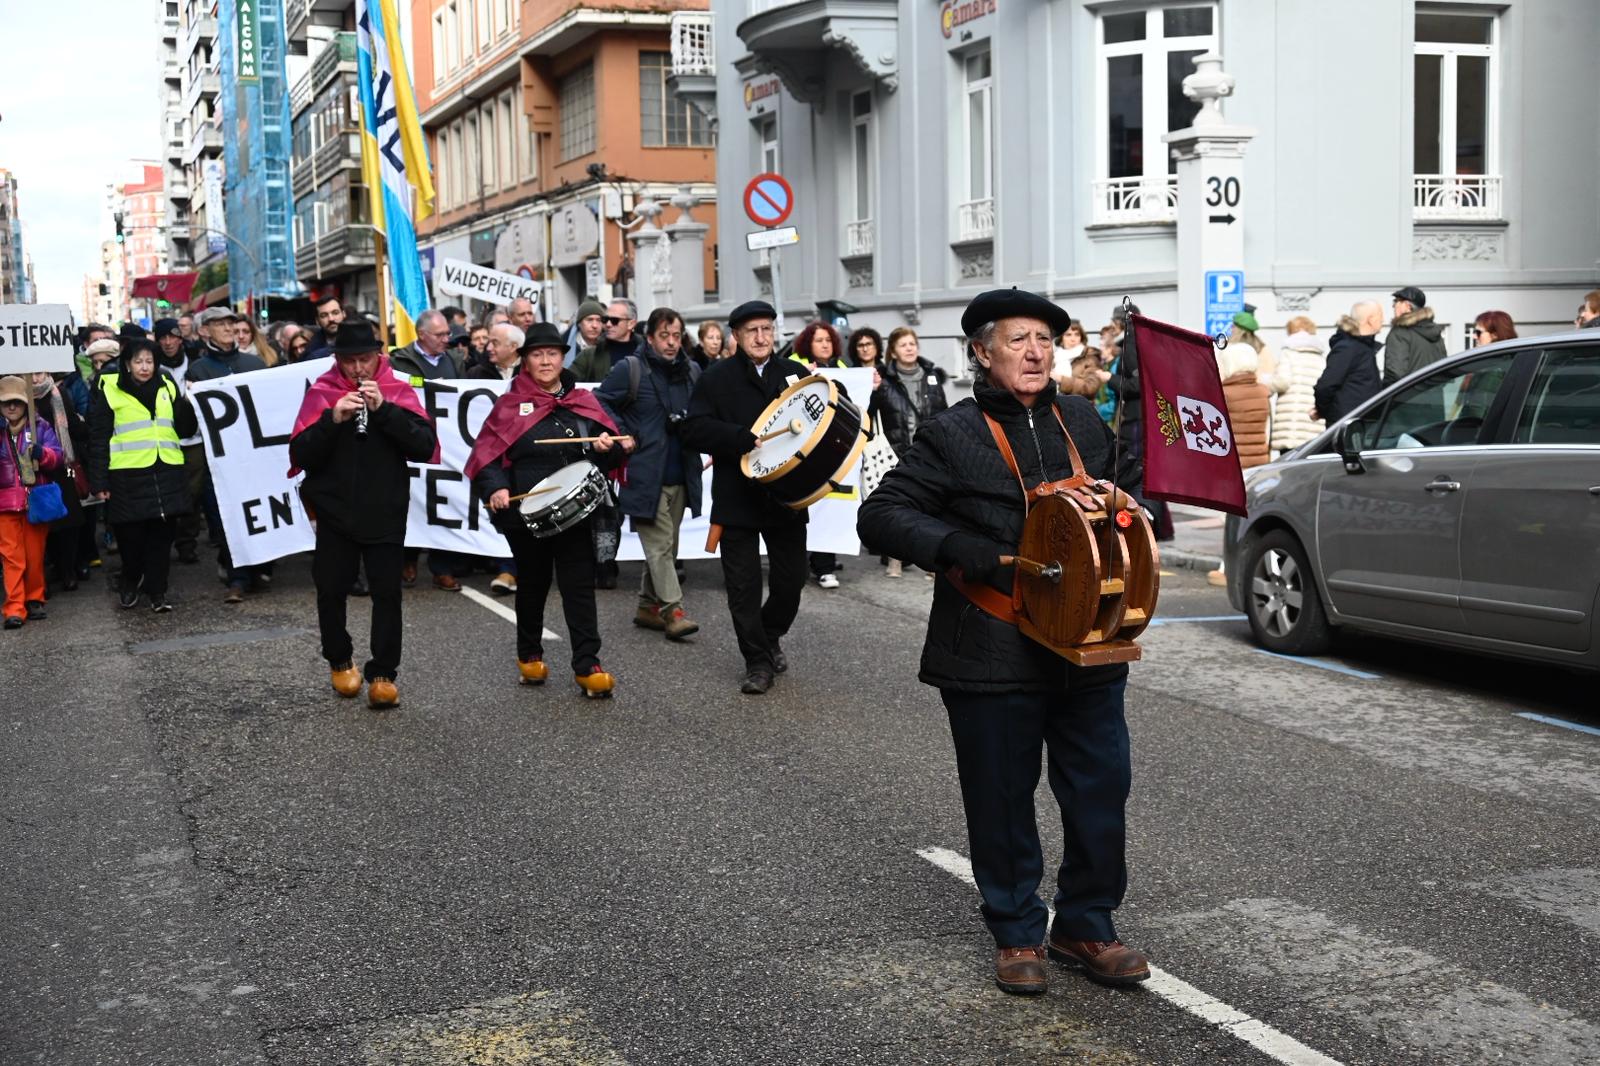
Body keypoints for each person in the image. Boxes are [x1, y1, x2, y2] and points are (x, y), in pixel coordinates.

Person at [857, 288, 1149, 998]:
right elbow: (882, 514)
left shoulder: (1080, 417)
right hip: (992, 642)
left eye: (1045, 339)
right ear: (982, 354)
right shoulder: (952, 433)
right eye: (1017, 340)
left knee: (1100, 791)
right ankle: (1018, 930)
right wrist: (962, 547)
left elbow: (1123, 492)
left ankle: (1086, 923)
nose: (1035, 351)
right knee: (1001, 797)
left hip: (1086, 641)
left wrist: (1130, 508)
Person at [467, 323, 632, 697]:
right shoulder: (510, 404)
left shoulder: (584, 401)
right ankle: (530, 656)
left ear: (562, 357)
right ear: (525, 360)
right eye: (538, 354)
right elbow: (487, 456)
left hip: (577, 511)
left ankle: (588, 664)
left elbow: (615, 449)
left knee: (578, 587)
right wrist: (496, 488)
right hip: (526, 513)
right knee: (533, 584)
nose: (545, 361)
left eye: (552, 354)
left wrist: (615, 447)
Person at [288, 320, 439, 710]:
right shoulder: (323, 392)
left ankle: (384, 673)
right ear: (338, 360)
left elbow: (424, 446)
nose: (358, 369)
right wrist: (332, 419)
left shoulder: (398, 390)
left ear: (379, 357)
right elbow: (300, 454)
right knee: (331, 588)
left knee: (387, 593)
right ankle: (339, 658)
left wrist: (384, 410)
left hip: (385, 509)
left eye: (365, 360)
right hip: (335, 511)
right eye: (350, 361)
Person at [679, 301, 808, 695]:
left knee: (791, 580)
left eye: (767, 329)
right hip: (737, 498)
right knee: (743, 588)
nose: (761, 337)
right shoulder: (716, 378)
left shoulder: (794, 374)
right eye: (752, 330)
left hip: (786, 497)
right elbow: (694, 429)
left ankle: (770, 635)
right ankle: (757, 662)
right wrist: (736, 438)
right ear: (735, 336)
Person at [595, 308, 704, 639]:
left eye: (676, 336)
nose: (671, 343)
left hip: (681, 471)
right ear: (650, 337)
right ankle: (674, 611)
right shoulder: (631, 369)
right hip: (644, 472)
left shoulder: (692, 371)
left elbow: (704, 412)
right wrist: (621, 431)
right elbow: (598, 401)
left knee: (667, 547)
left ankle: (646, 607)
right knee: (658, 546)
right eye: (664, 336)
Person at [87, 340, 197, 612]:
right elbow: (98, 439)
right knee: (131, 539)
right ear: (127, 364)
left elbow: (184, 428)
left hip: (166, 471)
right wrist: (99, 482)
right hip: (127, 476)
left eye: (149, 361)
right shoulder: (110, 390)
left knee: (162, 539)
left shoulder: (168, 386)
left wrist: (187, 402)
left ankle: (158, 591)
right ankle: (130, 579)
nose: (145, 367)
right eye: (138, 361)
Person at [185, 306, 271, 603]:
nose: (227, 328)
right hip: (220, 458)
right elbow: (190, 421)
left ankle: (261, 566)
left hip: (255, 453)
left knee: (260, 509)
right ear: (205, 330)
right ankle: (237, 576)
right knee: (226, 516)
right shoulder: (199, 370)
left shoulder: (255, 364)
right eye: (219, 324)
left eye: (230, 323)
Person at [871, 327, 949, 579]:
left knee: (934, 505)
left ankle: (932, 563)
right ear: (892, 350)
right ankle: (895, 558)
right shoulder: (883, 379)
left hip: (929, 449)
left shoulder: (932, 376)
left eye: (912, 343)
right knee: (899, 504)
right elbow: (870, 412)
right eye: (903, 344)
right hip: (895, 450)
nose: (909, 348)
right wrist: (872, 391)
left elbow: (944, 412)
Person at [786, 322, 852, 589]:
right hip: (802, 449)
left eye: (828, 340)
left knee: (830, 506)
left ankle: (824, 564)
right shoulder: (793, 365)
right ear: (807, 344)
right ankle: (800, 562)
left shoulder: (844, 369)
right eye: (819, 340)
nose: (825, 344)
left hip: (832, 448)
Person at [1, 376, 65, 629]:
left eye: (17, 402)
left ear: (26, 403)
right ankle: (14, 607)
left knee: (35, 555)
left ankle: (34, 597)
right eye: (6, 403)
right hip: (5, 504)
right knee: (11, 558)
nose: (12, 407)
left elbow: (58, 457)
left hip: (34, 501)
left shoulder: (39, 426)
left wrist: (44, 455)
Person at [32, 373, 90, 591]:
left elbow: (73, 426)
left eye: (40, 372)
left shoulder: (58, 393)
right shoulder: (19, 395)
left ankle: (69, 569)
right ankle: (56, 567)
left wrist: (86, 428)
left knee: (70, 519)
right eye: (32, 373)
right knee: (47, 522)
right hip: (37, 468)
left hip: (64, 465)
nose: (36, 378)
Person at [1313, 301, 1385, 426]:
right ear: (1371, 320)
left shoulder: (1363, 347)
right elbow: (1325, 386)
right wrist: (1324, 410)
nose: (1383, 320)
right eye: (1380, 316)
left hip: (1362, 422)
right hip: (1348, 426)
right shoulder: (1348, 348)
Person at [1264, 315, 1326, 455]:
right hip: (1312, 421)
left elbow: (1282, 381)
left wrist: (1266, 383)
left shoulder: (1289, 353)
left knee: (1290, 466)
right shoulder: (1320, 356)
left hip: (1291, 423)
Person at [1220, 311, 1274, 470]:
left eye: (1233, 326)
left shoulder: (1224, 393)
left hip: (1231, 462)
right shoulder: (1264, 392)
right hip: (1260, 460)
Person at [1382, 286, 1449, 384]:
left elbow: (1394, 374)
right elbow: (1444, 370)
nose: (1393, 306)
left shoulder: (1400, 333)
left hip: (1408, 397)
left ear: (1407, 306)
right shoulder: (1435, 332)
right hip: (1436, 396)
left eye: (1396, 301)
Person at [563, 299, 607, 368]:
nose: (594, 325)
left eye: (599, 320)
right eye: (590, 320)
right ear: (579, 323)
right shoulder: (564, 344)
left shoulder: (609, 345)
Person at [305, 295, 347, 360]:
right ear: (317, 321)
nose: (331, 319)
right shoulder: (311, 351)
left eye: (335, 313)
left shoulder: (361, 339)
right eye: (324, 315)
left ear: (344, 314)